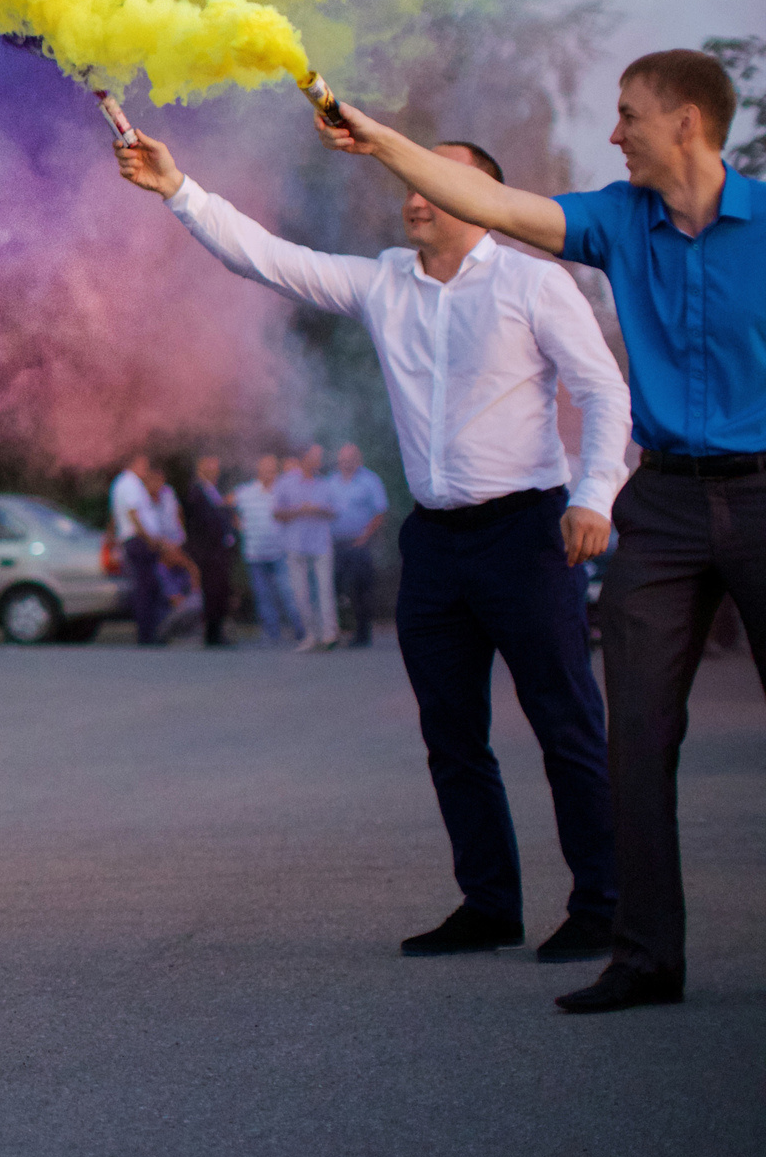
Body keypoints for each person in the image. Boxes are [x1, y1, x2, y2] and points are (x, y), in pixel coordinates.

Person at [315, 49, 761, 1014]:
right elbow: (490, 205)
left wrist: (588, 491)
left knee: (582, 723)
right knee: (634, 732)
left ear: (686, 121)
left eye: (629, 114)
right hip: (663, 502)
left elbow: (594, 381)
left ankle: (612, 921)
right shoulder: (615, 218)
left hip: (755, 493)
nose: (614, 132)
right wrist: (374, 138)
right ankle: (641, 954)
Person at [119, 128, 629, 967]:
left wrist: (594, 496)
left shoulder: (535, 282)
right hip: (435, 540)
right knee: (451, 734)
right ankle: (490, 904)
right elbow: (268, 258)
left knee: (565, 722)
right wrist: (178, 188)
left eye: (434, 183)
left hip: (528, 533)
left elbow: (603, 392)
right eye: (410, 181)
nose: (414, 194)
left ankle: (604, 904)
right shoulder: (384, 281)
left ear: (485, 201)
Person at [109, 453, 187, 646]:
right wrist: (149, 538)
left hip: (138, 539)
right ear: (135, 463)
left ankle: (150, 631)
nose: (146, 468)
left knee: (149, 585)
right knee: (146, 588)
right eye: (143, 464)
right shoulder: (130, 483)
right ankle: (147, 634)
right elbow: (133, 514)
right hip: (139, 540)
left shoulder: (124, 483)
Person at [232, 452, 302, 646]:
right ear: (258, 470)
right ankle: (272, 634)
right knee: (263, 596)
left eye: (272, 470)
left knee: (288, 593)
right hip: (255, 553)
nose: (269, 474)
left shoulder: (283, 492)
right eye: (266, 470)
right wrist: (240, 526)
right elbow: (228, 507)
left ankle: (301, 630)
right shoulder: (245, 492)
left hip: (280, 552)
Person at [275, 445, 340, 650]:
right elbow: (276, 513)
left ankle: (329, 634)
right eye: (315, 457)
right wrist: (299, 510)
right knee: (300, 593)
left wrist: (318, 509)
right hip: (295, 544)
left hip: (320, 545)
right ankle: (311, 634)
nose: (319, 461)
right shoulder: (286, 482)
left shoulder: (325, 484)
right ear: (304, 459)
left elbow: (335, 512)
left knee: (325, 590)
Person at [330, 443, 391, 647]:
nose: (345, 463)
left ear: (358, 460)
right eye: (342, 460)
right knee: (336, 588)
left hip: (360, 543)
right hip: (336, 543)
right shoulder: (331, 481)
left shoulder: (370, 480)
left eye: (350, 459)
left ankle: (362, 634)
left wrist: (364, 537)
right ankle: (339, 631)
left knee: (360, 589)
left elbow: (380, 512)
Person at [184, 455, 240, 648]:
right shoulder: (197, 492)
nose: (216, 472)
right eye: (211, 468)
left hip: (220, 551)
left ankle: (217, 631)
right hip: (209, 552)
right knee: (212, 592)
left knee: (220, 592)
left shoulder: (213, 490)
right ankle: (212, 633)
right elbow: (203, 521)